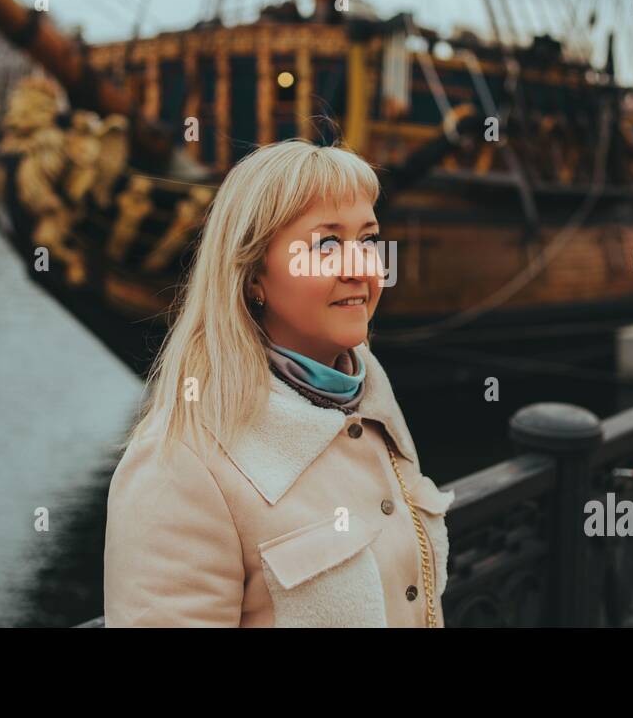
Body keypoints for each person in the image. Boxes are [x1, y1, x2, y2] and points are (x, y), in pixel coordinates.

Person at [103, 139, 454, 627]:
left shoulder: (371, 399)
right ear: (253, 277)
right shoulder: (180, 462)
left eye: (369, 241)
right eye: (326, 245)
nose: (361, 267)